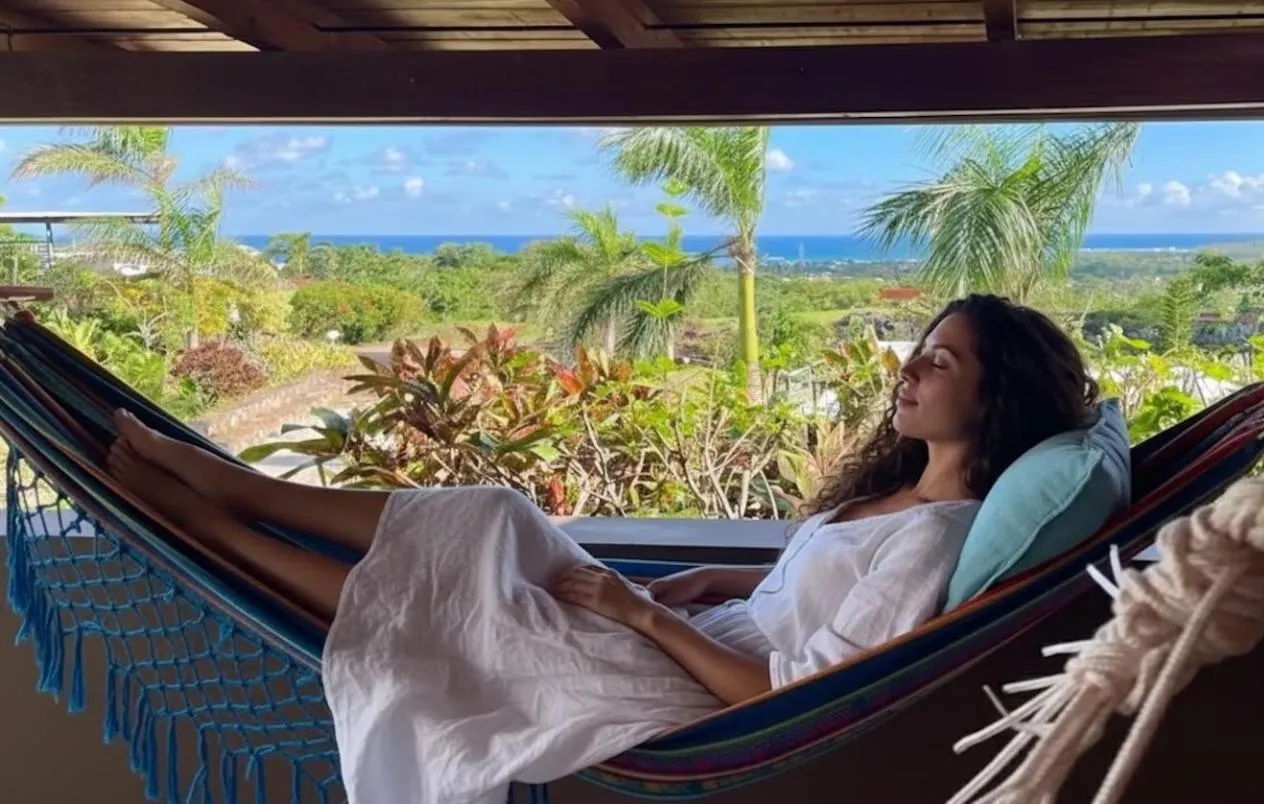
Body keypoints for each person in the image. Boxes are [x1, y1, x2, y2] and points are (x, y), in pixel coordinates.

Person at [104, 293, 1099, 803]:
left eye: (938, 361)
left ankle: (220, 517)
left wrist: (642, 616)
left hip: (688, 688)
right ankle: (229, 502)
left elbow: (790, 690)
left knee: (464, 581)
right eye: (916, 351)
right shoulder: (902, 498)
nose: (907, 372)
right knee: (496, 520)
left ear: (993, 395)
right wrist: (720, 576)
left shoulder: (937, 534)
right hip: (693, 634)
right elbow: (820, 589)